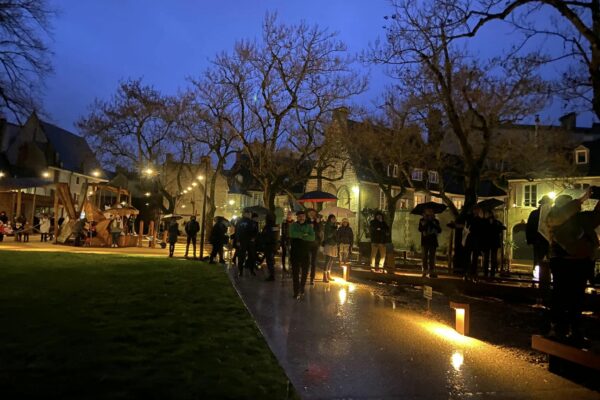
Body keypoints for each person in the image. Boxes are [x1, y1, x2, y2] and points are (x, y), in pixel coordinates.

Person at [545, 190, 600, 348]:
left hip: (580, 262)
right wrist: (580, 200)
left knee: (576, 298)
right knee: (562, 296)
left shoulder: (580, 219)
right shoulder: (554, 219)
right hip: (563, 262)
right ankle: (558, 328)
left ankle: (574, 330)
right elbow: (560, 217)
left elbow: (596, 217)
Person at [289, 210, 315, 299]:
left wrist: (301, 235)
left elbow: (312, 237)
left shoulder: (309, 226)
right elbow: (292, 234)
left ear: (305, 217)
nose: (301, 217)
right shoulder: (293, 225)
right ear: (297, 217)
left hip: (305, 252)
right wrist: (304, 235)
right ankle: (296, 291)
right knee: (295, 273)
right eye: (299, 216)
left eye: (303, 216)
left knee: (305, 272)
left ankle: (302, 288)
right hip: (295, 252)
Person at [526, 195, 551, 270]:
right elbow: (529, 227)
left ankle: (542, 273)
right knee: (539, 258)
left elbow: (529, 227)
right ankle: (539, 273)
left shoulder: (535, 213)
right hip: (539, 240)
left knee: (542, 258)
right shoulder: (535, 213)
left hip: (545, 240)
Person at [481, 211, 506, 278]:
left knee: (493, 258)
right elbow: (483, 231)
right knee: (487, 258)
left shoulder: (496, 222)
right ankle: (486, 272)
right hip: (488, 242)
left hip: (493, 242)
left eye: (490, 214)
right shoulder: (485, 222)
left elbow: (500, 230)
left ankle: (492, 273)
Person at [419, 207, 441, 278]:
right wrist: (427, 221)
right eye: (428, 211)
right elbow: (420, 229)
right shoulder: (422, 220)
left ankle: (432, 272)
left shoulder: (436, 221)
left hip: (433, 242)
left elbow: (439, 230)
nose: (430, 213)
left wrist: (432, 222)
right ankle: (424, 271)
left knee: (432, 257)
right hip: (425, 241)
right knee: (424, 257)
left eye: (431, 211)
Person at [235, 210, 259, 277]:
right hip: (243, 241)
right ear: (244, 214)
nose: (249, 215)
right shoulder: (240, 222)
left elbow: (256, 231)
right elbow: (237, 231)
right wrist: (238, 240)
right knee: (242, 256)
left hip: (249, 241)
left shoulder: (252, 222)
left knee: (251, 256)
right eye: (248, 214)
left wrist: (254, 238)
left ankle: (250, 270)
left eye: (249, 214)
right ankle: (241, 271)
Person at [464, 207, 485, 282]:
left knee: (474, 258)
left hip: (476, 239)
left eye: (477, 210)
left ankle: (473, 273)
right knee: (468, 257)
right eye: (475, 210)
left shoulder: (480, 220)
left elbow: (482, 230)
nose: (476, 211)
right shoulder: (470, 218)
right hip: (471, 238)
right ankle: (468, 273)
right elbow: (467, 226)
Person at [261, 213, 279, 281]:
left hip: (269, 245)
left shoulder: (268, 226)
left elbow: (268, 235)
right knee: (270, 260)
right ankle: (271, 274)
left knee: (270, 260)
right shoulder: (275, 226)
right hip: (272, 245)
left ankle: (272, 275)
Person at [306, 209, 322, 285]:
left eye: (313, 213)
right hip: (308, 244)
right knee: (307, 261)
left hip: (315, 244)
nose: (312, 214)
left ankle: (312, 278)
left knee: (313, 262)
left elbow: (320, 231)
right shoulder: (306, 221)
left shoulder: (317, 222)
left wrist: (318, 224)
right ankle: (305, 275)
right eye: (310, 213)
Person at [322, 214, 338, 283]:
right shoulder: (328, 226)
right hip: (329, 243)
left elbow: (335, 235)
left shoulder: (333, 226)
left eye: (335, 218)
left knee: (331, 259)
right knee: (328, 259)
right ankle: (324, 276)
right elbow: (328, 235)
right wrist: (334, 229)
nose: (334, 220)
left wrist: (335, 228)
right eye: (333, 218)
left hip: (334, 243)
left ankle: (328, 274)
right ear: (330, 219)